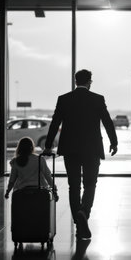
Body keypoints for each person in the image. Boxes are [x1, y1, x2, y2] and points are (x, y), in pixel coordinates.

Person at [43, 69, 118, 240]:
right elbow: (107, 122)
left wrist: (48, 145)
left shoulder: (64, 99)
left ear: (75, 81)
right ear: (90, 82)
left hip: (70, 149)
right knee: (90, 184)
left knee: (74, 186)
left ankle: (78, 222)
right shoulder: (97, 99)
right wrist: (114, 142)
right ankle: (84, 211)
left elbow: (55, 123)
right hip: (92, 149)